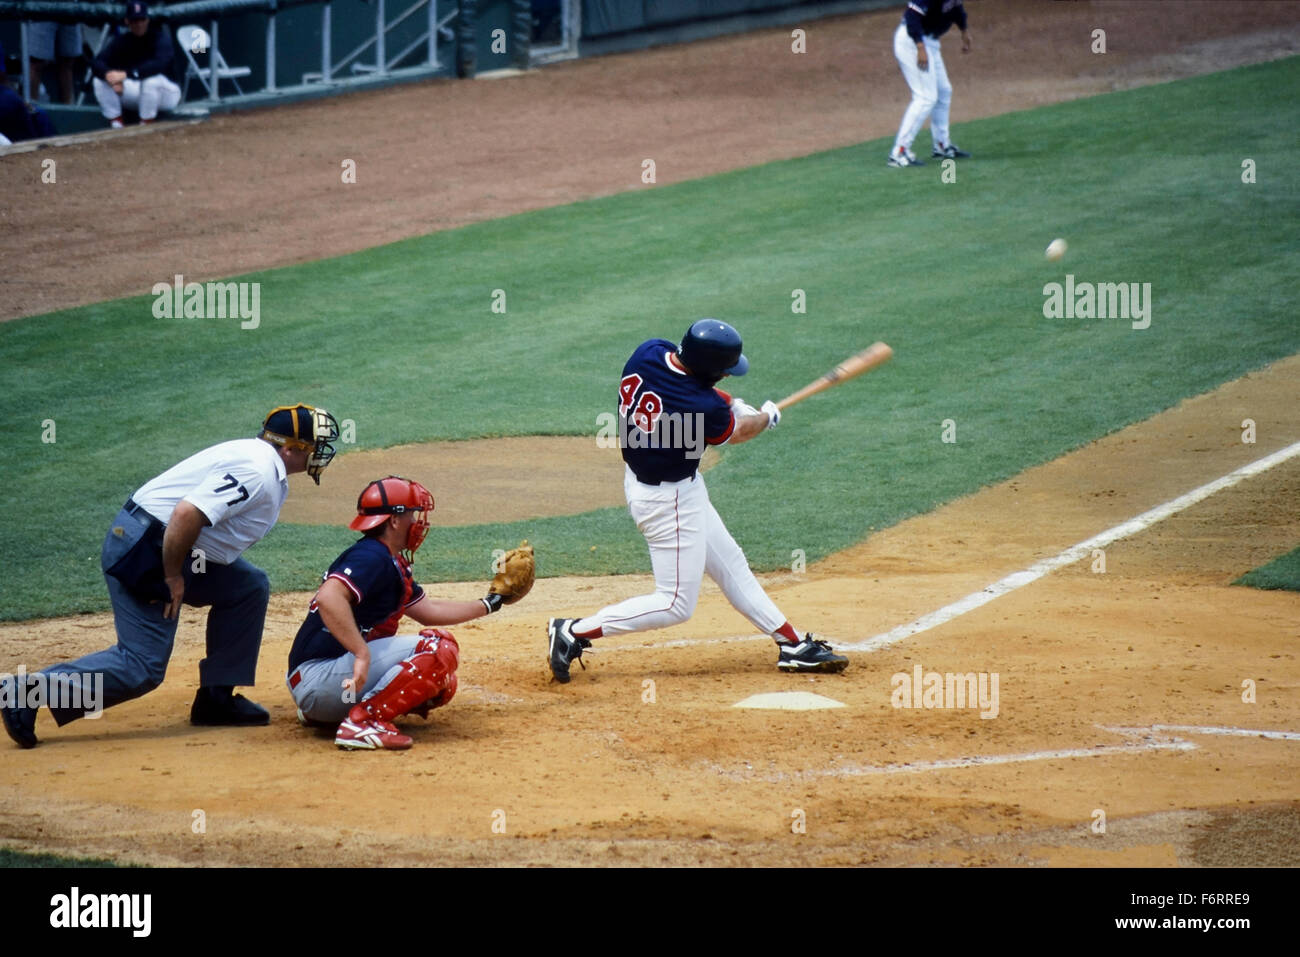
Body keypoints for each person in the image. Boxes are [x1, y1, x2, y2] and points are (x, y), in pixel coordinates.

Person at [0, 404, 340, 749]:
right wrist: (173, 576)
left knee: (247, 586)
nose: (321, 454)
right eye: (316, 445)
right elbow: (186, 514)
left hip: (171, 545)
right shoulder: (257, 471)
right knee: (142, 667)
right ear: (291, 448)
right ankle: (28, 691)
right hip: (147, 550)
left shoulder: (261, 460)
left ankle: (216, 700)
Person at [547, 319, 849, 682]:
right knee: (675, 604)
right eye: (723, 372)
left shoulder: (650, 352)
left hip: (672, 487)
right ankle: (572, 632)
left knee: (730, 563)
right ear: (710, 371)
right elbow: (735, 433)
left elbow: (704, 396)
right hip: (666, 503)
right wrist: (767, 417)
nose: (726, 377)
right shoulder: (702, 406)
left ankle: (792, 644)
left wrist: (733, 405)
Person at [286, 477, 533, 751]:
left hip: (324, 688)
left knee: (442, 686)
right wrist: (361, 652)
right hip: (319, 680)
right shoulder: (371, 557)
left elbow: (429, 610)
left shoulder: (387, 559)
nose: (419, 523)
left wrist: (491, 602)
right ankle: (362, 723)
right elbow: (329, 597)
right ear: (394, 520)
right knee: (437, 649)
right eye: (413, 514)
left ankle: (332, 714)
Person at [888, 0, 972, 168]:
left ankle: (942, 145)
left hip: (930, 42)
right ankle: (899, 152)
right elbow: (911, 17)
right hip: (912, 41)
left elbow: (956, 8)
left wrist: (964, 30)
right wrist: (920, 47)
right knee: (925, 97)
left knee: (943, 91)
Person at [90, 1, 181, 129]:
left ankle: (145, 126)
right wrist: (109, 77)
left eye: (142, 20)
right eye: (134, 20)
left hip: (167, 94)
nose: (139, 24)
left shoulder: (160, 38)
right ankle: (116, 124)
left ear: (147, 20)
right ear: (127, 21)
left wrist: (126, 74)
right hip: (137, 92)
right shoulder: (122, 40)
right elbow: (97, 62)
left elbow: (158, 65)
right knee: (99, 81)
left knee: (150, 81)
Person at [26, 18, 82, 104]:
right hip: (42, 11)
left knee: (67, 63)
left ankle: (67, 109)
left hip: (70, 10)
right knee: (36, 63)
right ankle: (31, 109)